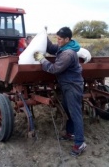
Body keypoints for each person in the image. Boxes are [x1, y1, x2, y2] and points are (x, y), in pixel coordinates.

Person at [34, 27, 86, 157]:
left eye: (60, 39)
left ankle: (80, 143)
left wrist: (42, 60)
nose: (58, 41)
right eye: (57, 38)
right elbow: (52, 48)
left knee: (75, 114)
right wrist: (42, 36)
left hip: (72, 86)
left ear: (67, 39)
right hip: (67, 85)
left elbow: (54, 69)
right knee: (67, 110)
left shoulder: (68, 54)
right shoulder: (63, 47)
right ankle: (70, 133)